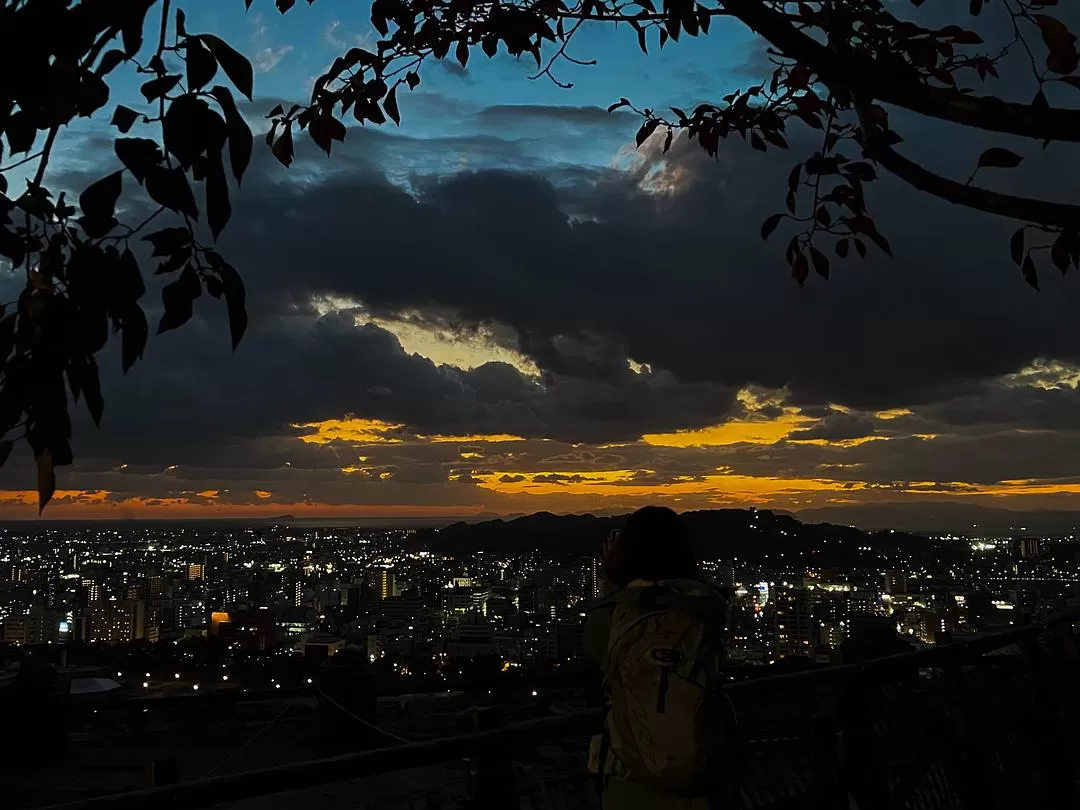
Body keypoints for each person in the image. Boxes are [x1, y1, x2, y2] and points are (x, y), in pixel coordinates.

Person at [583, 506, 733, 809]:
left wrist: (612, 583)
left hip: (632, 777)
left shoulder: (613, 618)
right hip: (705, 774)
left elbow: (599, 652)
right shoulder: (706, 610)